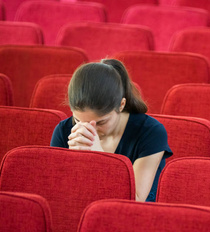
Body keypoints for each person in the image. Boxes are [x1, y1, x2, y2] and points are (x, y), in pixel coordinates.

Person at [50, 59, 172, 202]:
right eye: (78, 121)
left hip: (132, 217)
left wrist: (99, 160)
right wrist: (73, 162)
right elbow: (58, 193)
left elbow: (135, 199)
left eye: (101, 122)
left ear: (121, 105)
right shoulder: (63, 130)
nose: (90, 130)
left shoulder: (151, 133)